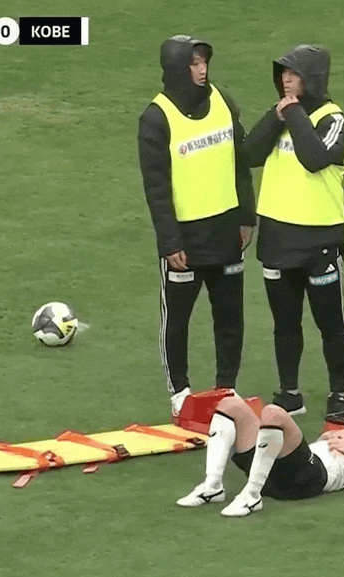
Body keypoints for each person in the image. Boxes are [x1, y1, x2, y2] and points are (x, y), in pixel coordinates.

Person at [138, 35, 256, 415]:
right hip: (185, 243)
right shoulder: (156, 118)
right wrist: (169, 242)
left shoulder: (223, 101)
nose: (202, 70)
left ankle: (227, 388)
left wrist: (247, 217)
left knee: (230, 317)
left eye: (204, 61)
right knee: (177, 321)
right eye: (193, 63)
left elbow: (240, 163)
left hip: (227, 233)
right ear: (176, 68)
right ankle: (180, 392)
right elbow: (156, 188)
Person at [242, 45, 344, 416]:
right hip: (277, 237)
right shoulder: (281, 113)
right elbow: (249, 155)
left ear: (313, 78)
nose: (286, 80)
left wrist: (293, 114)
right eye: (283, 74)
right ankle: (289, 393)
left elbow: (315, 158)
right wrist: (277, 117)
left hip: (319, 239)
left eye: (294, 74)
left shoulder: (333, 119)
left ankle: (339, 393)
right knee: (284, 323)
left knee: (329, 322)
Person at [175, 394, 344, 516]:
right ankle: (213, 486)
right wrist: (330, 438)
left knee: (273, 413)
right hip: (275, 469)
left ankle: (252, 496)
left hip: (307, 479)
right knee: (230, 405)